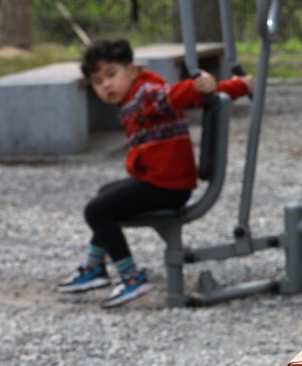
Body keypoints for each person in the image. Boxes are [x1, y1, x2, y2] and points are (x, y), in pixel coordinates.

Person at [57, 38, 254, 308]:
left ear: (132, 70)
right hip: (161, 182)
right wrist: (240, 86)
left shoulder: (145, 94)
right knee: (105, 195)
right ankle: (94, 268)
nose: (106, 85)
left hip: (166, 186)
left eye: (111, 75)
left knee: (96, 210)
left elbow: (174, 95)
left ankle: (131, 278)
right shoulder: (133, 96)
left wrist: (199, 84)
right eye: (98, 81)